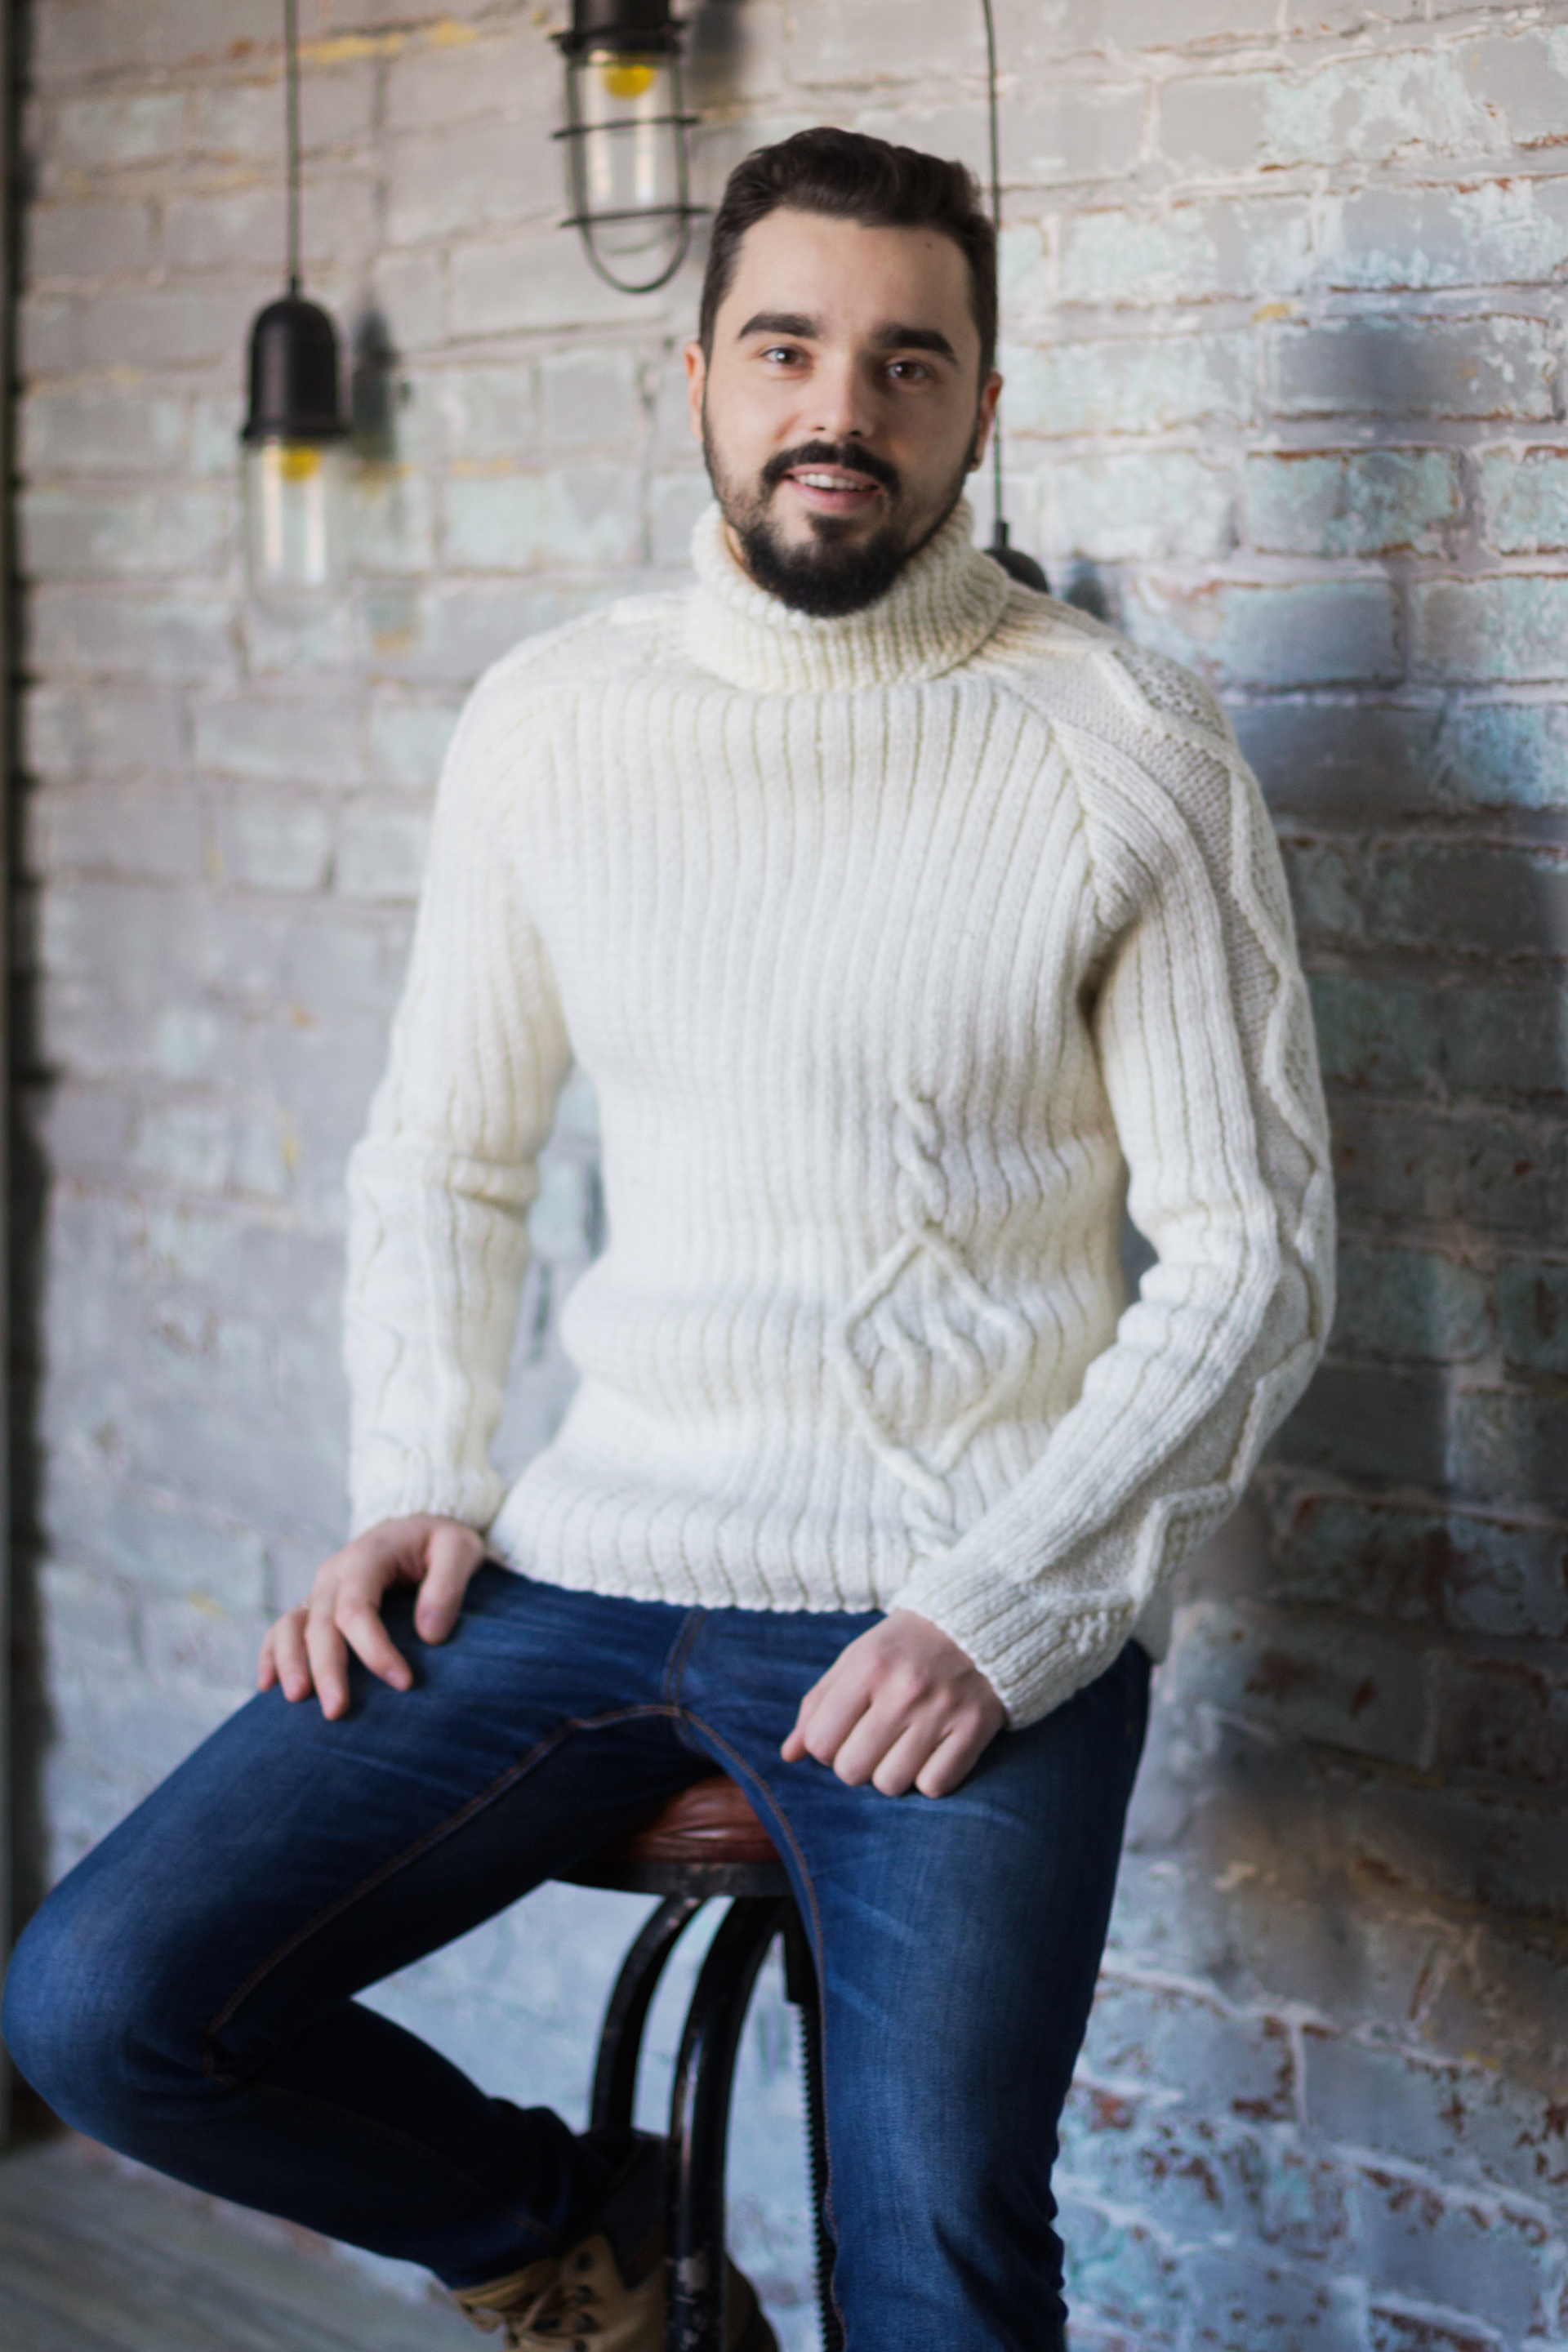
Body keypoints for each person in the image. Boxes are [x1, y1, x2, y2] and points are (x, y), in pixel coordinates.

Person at [2, 127, 1334, 2351]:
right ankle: (576, 2234)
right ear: (697, 379)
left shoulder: (1126, 746)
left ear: (983, 408)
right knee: (101, 2003)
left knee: (938, 2269)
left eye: (909, 363)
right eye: (787, 349)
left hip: (960, 1585)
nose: (844, 409)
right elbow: (443, 1154)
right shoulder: (555, 721)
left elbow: (1254, 1256)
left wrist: (1008, 1606)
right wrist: (416, 1479)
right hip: (590, 1560)